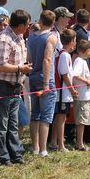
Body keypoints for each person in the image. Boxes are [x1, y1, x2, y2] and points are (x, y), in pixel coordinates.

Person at [0, 9, 31, 165]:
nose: (28, 27)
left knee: (13, 123)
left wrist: (23, 69)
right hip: (1, 85)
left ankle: (15, 154)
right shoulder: (4, 39)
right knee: (1, 124)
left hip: (14, 85)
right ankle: (0, 156)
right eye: (27, 24)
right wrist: (21, 69)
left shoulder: (19, 38)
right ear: (20, 25)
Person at [26, 10, 58, 157]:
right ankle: (43, 150)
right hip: (46, 78)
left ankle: (35, 147)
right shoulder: (51, 37)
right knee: (46, 115)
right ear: (53, 22)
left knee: (35, 114)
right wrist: (46, 83)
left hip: (33, 77)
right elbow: (47, 59)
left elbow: (28, 57)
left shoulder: (31, 36)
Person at [50, 29, 77, 152]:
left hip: (63, 93)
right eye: (75, 40)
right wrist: (72, 90)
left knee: (59, 118)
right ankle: (61, 145)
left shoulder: (62, 54)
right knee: (61, 119)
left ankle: (53, 142)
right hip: (62, 94)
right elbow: (65, 75)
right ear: (71, 41)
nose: (75, 43)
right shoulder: (65, 55)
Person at [72, 40, 90, 150]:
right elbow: (75, 75)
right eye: (89, 50)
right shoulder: (79, 61)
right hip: (82, 96)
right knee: (81, 121)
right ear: (86, 50)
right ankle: (79, 144)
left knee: (84, 120)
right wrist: (87, 81)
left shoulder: (83, 61)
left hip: (86, 96)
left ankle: (80, 142)